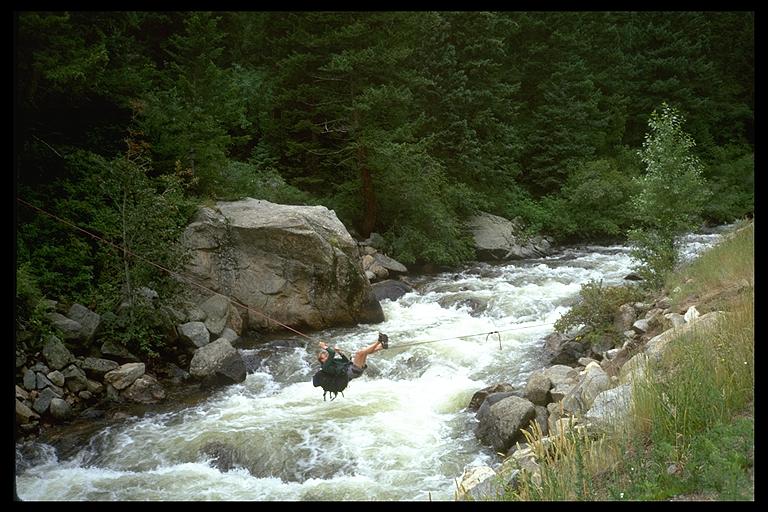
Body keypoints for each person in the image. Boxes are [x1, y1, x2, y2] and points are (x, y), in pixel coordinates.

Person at [312, 333, 388, 400]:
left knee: (364, 351)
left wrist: (340, 352)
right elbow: (331, 352)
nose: (326, 357)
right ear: (321, 360)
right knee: (359, 353)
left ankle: (381, 346)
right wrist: (324, 347)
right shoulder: (325, 366)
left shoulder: (333, 361)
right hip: (350, 372)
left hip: (352, 369)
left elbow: (346, 361)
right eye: (324, 357)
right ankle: (379, 341)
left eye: (326, 356)